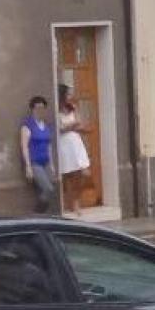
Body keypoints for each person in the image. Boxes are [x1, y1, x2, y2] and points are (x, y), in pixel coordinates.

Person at [55, 85, 91, 216]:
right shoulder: (56, 110)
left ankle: (76, 201)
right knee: (67, 175)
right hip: (63, 144)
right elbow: (58, 129)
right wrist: (71, 126)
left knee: (83, 173)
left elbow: (79, 123)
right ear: (62, 95)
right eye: (68, 94)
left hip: (75, 143)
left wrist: (73, 127)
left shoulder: (73, 108)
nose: (70, 96)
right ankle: (68, 203)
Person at [19, 95, 55, 215]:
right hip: (35, 163)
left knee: (47, 190)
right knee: (48, 189)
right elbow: (24, 146)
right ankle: (36, 214)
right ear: (32, 109)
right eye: (37, 108)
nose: (40, 111)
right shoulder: (28, 125)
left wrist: (52, 164)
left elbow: (49, 145)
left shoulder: (46, 125)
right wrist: (28, 166)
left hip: (46, 162)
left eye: (42, 108)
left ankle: (43, 216)